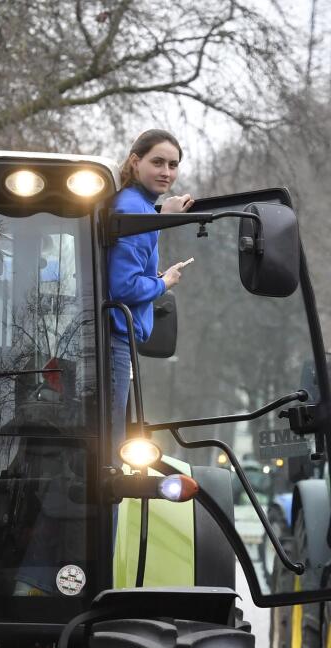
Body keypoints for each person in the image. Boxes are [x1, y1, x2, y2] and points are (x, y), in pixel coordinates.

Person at [107, 129, 194, 459]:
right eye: (157, 162)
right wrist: (164, 283)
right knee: (111, 451)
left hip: (114, 338)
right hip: (115, 339)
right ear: (135, 161)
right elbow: (121, 287)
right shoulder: (136, 213)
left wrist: (160, 216)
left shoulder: (134, 206)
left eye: (173, 165)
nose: (166, 172)